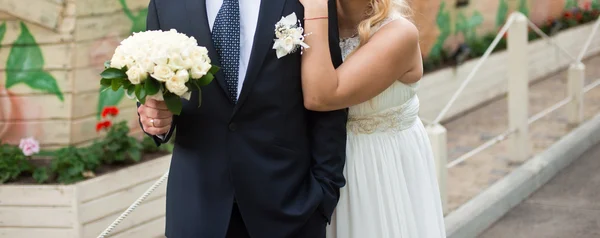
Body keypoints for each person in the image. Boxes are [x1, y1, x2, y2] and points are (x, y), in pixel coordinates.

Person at [137, 0, 347, 237]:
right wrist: (155, 118)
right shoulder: (165, 4)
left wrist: (325, 193)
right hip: (196, 208)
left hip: (288, 206)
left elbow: (329, 102)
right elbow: (153, 85)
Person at [299, 0, 447, 237]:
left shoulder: (400, 33)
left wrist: (314, 10)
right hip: (318, 168)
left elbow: (321, 96)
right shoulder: (298, 17)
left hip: (378, 170)